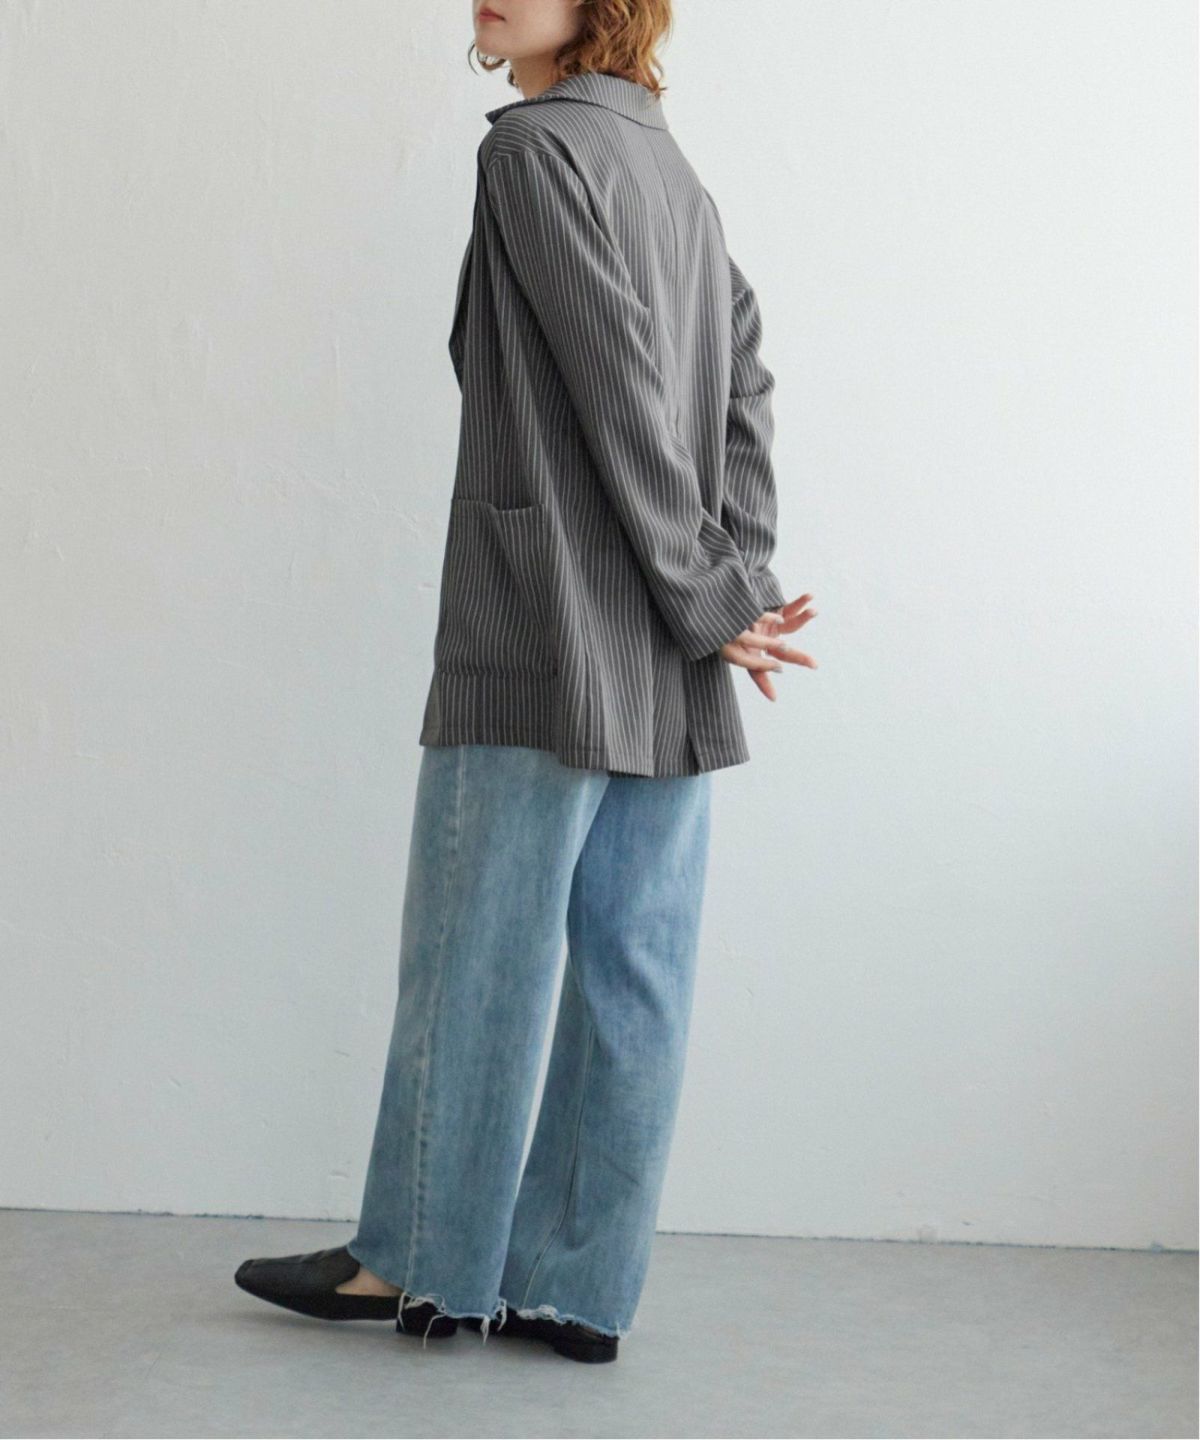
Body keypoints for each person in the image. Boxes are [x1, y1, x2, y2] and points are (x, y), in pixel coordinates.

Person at [234, 0, 817, 1365]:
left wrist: (712, 589)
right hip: (666, 655)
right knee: (634, 971)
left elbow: (618, 388)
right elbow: (744, 384)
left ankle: (421, 1263)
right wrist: (730, 580)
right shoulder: (670, 169)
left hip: (541, 626)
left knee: (474, 953)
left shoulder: (532, 150)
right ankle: (573, 1287)